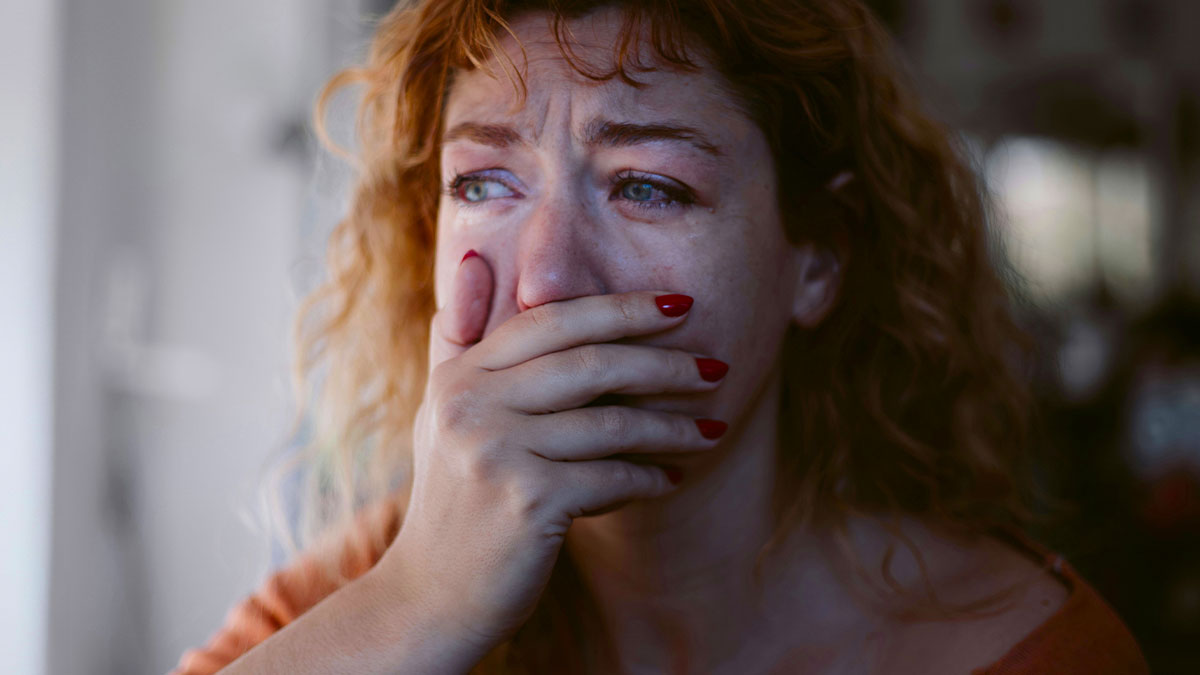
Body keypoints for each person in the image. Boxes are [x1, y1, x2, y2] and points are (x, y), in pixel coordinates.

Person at [173, 0, 1149, 672]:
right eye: (484, 183)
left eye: (648, 186)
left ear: (818, 259)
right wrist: (417, 607)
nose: (547, 280)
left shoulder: (1034, 650)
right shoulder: (375, 586)